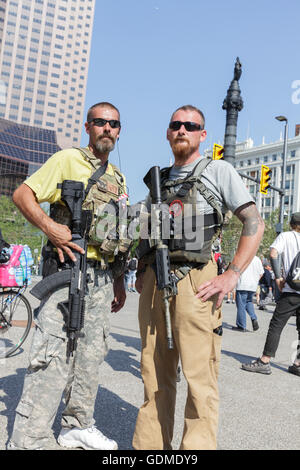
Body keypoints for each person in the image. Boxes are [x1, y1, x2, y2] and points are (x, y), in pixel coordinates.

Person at [132, 104, 264, 450]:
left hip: (197, 282)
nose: (182, 130)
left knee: (199, 376)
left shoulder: (217, 170)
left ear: (202, 135)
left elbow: (254, 221)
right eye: (176, 124)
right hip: (155, 281)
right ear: (167, 132)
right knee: (154, 374)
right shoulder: (158, 180)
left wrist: (232, 274)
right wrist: (138, 270)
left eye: (190, 126)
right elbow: (149, 229)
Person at [7, 102, 129, 450]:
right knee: (53, 353)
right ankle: (30, 437)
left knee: (91, 354)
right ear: (88, 126)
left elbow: (117, 234)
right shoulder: (66, 160)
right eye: (101, 122)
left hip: (103, 278)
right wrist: (51, 228)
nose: (107, 128)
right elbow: (22, 194)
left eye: (114, 124)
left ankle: (77, 424)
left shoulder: (117, 177)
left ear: (119, 131)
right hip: (68, 272)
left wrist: (119, 280)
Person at [242, 213, 300, 375]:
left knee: (276, 325)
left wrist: (279, 278)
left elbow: (273, 253)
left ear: (291, 224)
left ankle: (265, 360)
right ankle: (298, 364)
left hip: (291, 289)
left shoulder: (287, 236)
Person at [232, 255, 264, 332]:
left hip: (242, 284)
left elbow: (234, 269)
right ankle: (253, 318)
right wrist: (255, 280)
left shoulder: (242, 256)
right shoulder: (257, 259)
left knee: (241, 305)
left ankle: (241, 325)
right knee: (249, 302)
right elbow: (261, 273)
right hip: (252, 285)